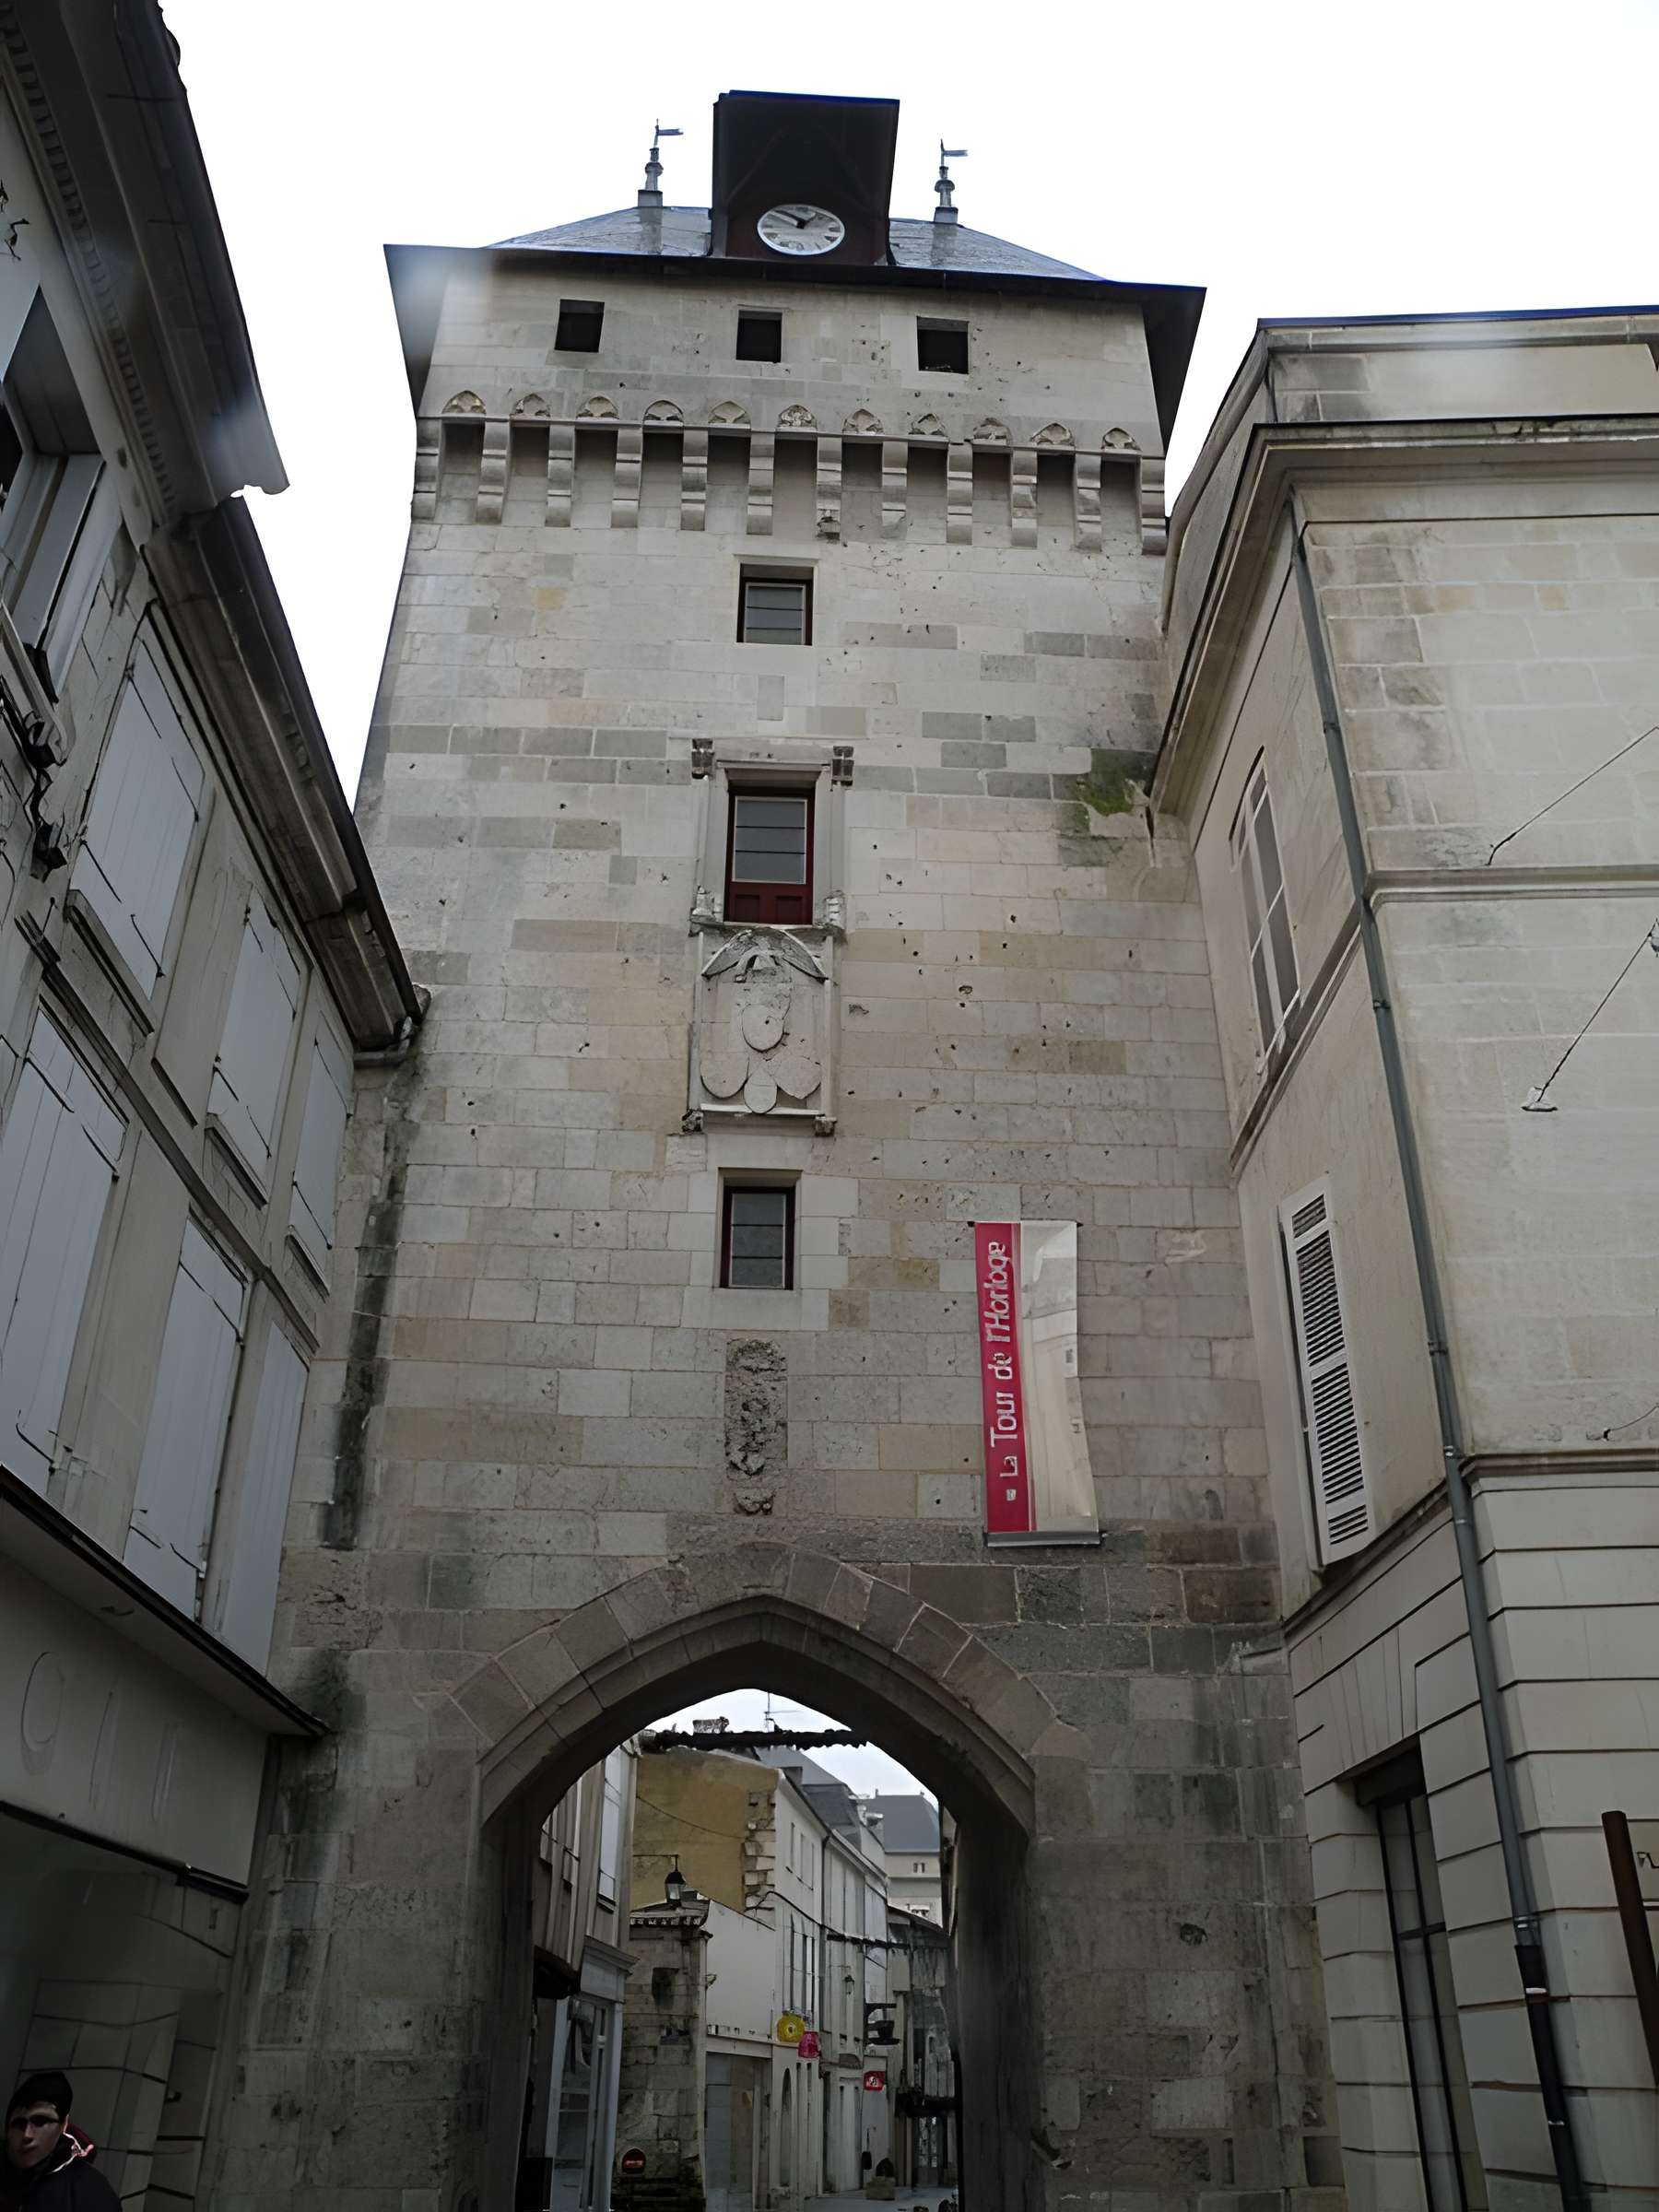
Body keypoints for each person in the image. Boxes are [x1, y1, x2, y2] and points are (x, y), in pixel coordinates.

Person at [3, 2075, 120, 2209]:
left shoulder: (90, 2190)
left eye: (40, 2122)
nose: (27, 2135)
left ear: (64, 2124)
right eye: (18, 2124)